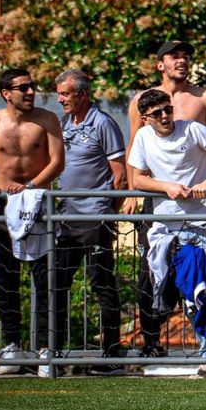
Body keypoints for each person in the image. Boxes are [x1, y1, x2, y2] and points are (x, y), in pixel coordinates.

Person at [125, 86, 206, 374]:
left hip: (203, 221)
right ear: (146, 118)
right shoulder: (143, 138)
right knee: (190, 291)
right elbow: (137, 179)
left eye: (167, 109)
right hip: (168, 227)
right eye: (157, 113)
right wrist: (167, 187)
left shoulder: (193, 129)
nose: (164, 116)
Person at [0, 67, 66, 376]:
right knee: (5, 279)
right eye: (22, 87)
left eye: (32, 86)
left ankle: (46, 349)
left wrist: (32, 187)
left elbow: (57, 161)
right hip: (4, 206)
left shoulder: (47, 119)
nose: (29, 92)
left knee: (46, 280)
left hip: (39, 204)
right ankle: (12, 345)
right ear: (6, 93)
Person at [49, 69, 129, 369]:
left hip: (97, 217)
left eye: (66, 94)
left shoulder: (103, 123)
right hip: (67, 218)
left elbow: (119, 174)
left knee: (102, 284)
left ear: (83, 94)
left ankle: (110, 354)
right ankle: (53, 353)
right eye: (59, 94)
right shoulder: (63, 123)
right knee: (56, 283)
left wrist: (110, 211)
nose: (61, 99)